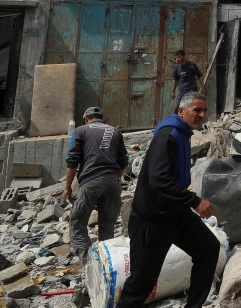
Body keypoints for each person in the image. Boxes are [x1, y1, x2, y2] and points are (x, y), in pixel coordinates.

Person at [117, 93, 219, 308]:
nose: (202, 115)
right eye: (197, 110)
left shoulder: (184, 133)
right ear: (181, 111)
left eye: (204, 111)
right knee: (141, 285)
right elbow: (158, 179)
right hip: (152, 220)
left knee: (208, 249)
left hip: (176, 214)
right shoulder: (168, 135)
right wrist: (194, 201)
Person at [63, 106, 127, 260]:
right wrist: (113, 180)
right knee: (107, 227)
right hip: (113, 182)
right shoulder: (116, 132)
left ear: (86, 118)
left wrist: (67, 189)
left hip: (91, 181)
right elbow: (123, 162)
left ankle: (88, 265)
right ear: (101, 118)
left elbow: (72, 161)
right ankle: (108, 265)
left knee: (77, 223)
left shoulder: (80, 131)